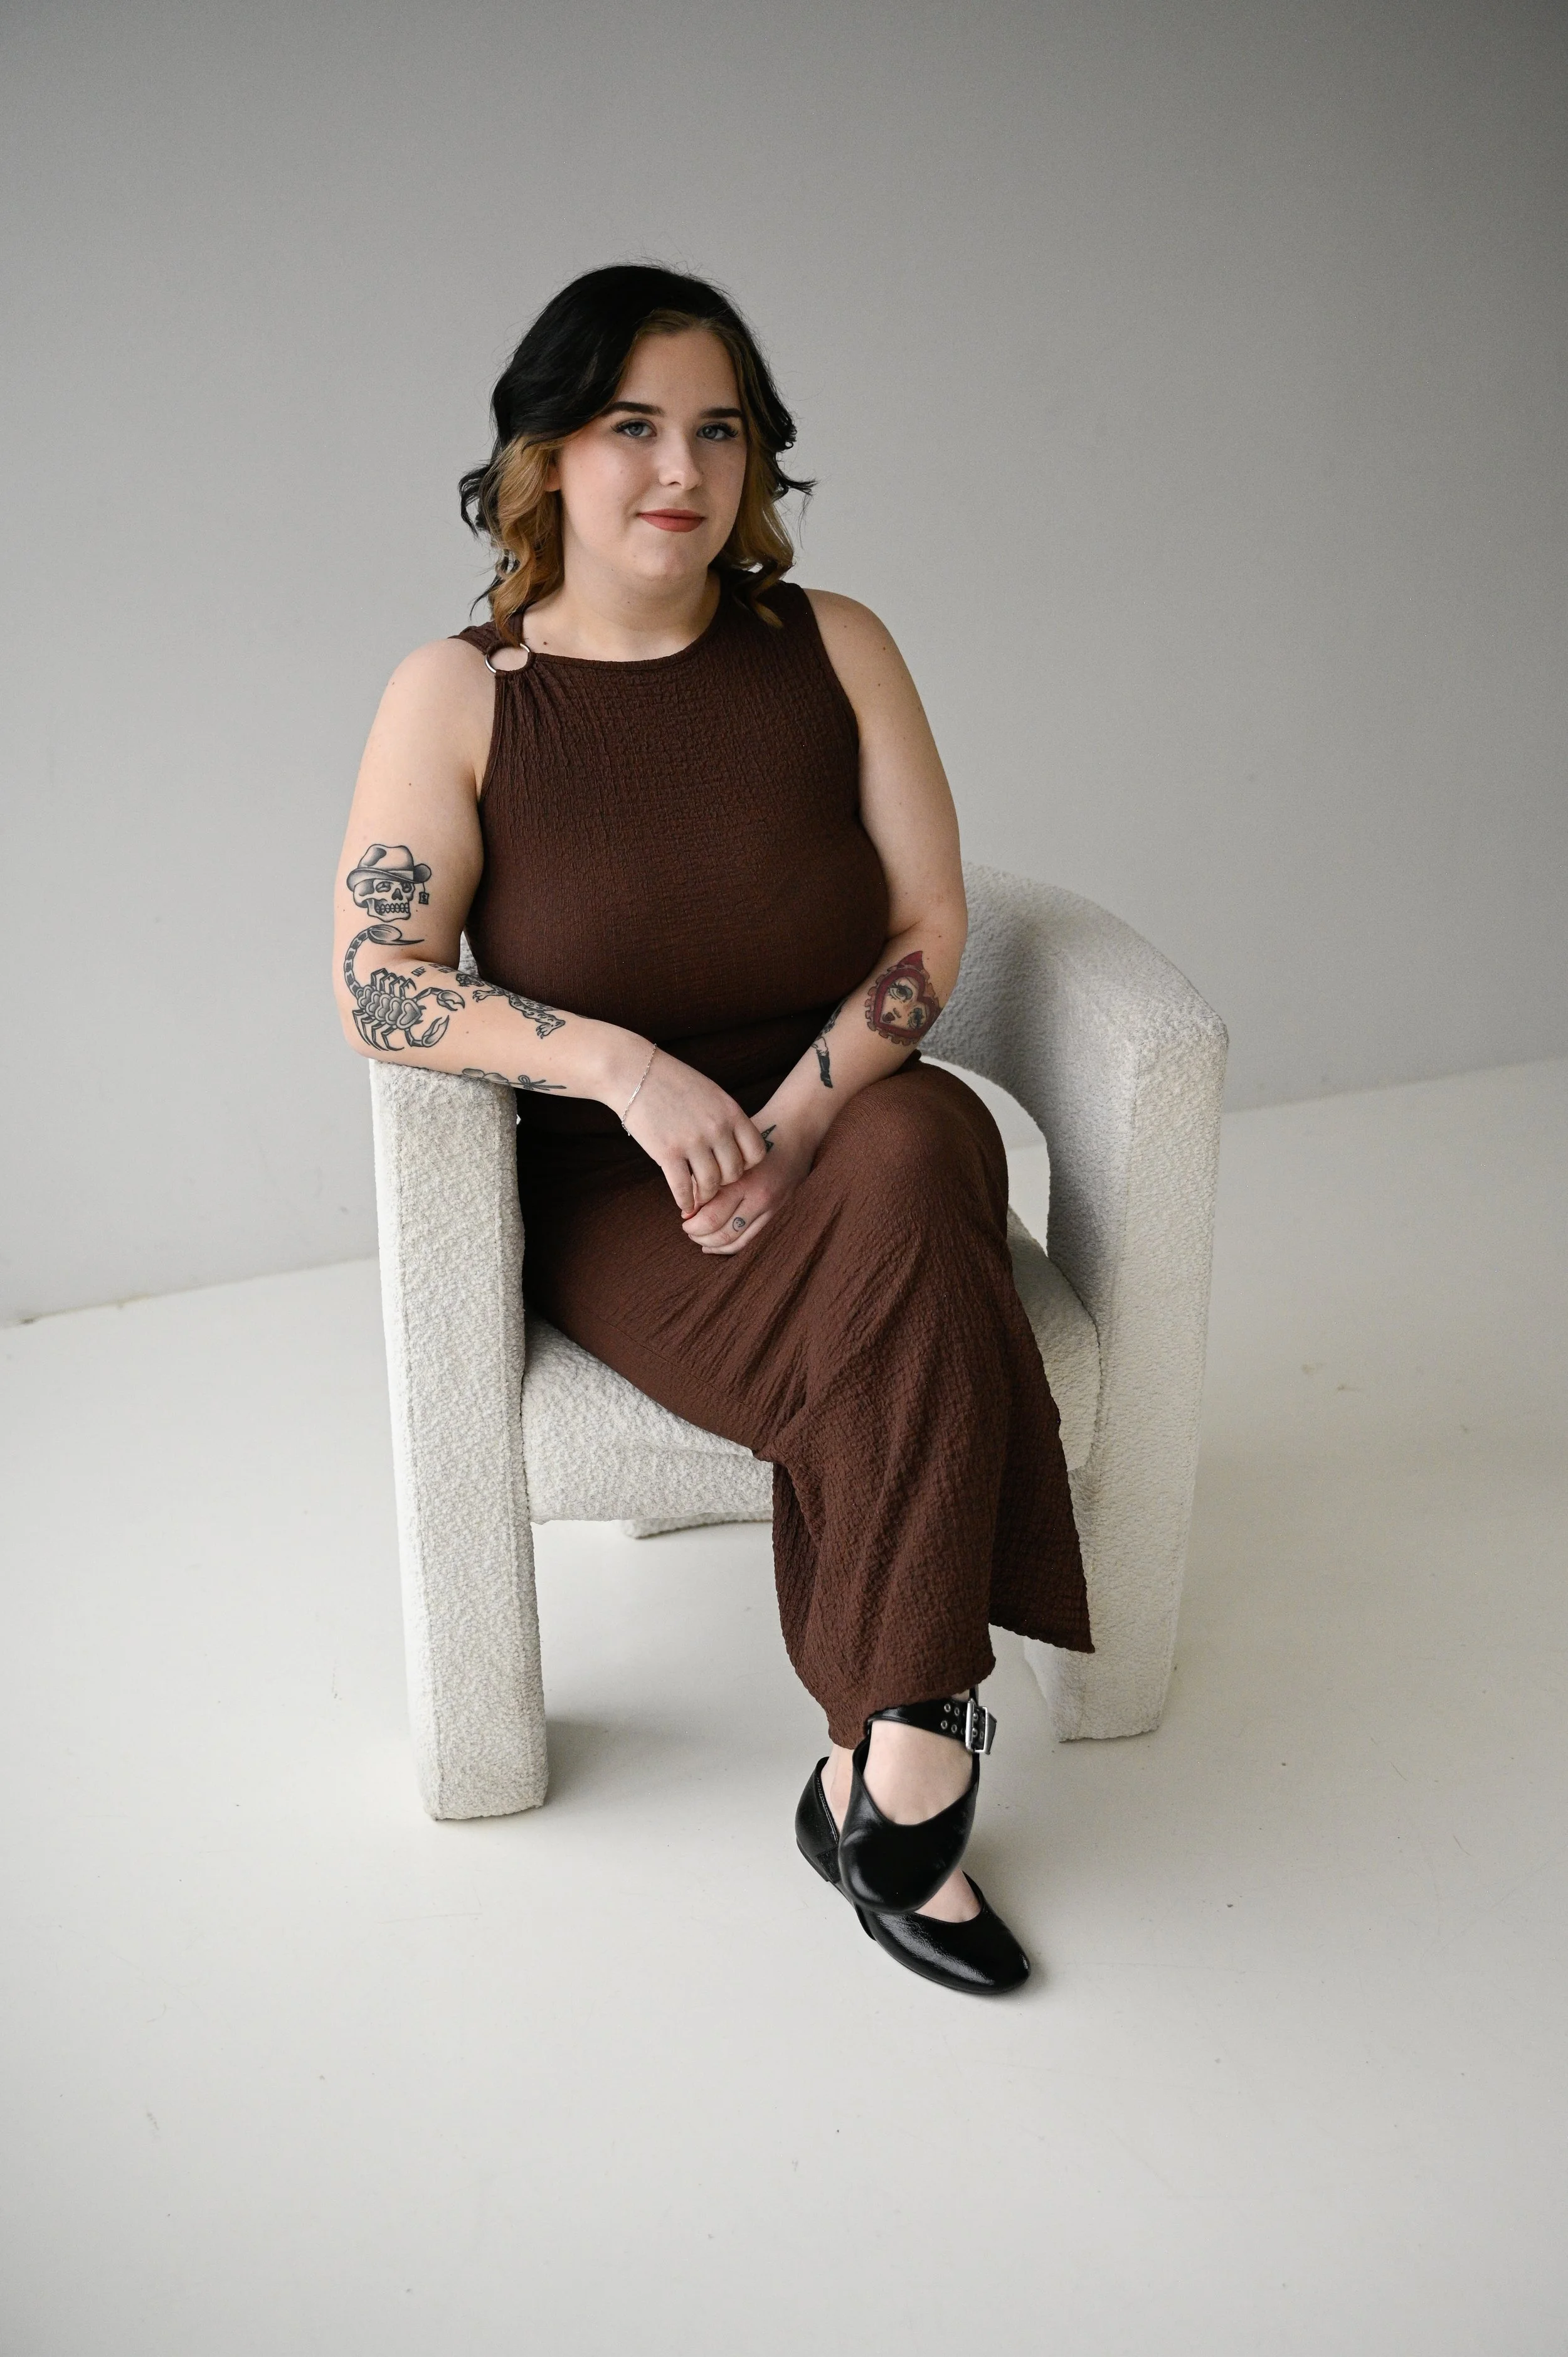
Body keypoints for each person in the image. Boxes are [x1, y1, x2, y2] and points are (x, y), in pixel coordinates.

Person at [334, 263, 1092, 1996]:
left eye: (718, 428)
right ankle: (902, 1772)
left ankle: (900, 1746)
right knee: (925, 1279)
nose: (680, 466)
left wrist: (798, 1116)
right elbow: (378, 979)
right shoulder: (461, 694)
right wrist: (618, 1064)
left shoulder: (833, 648)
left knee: (915, 1167)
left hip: (855, 1112)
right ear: (544, 458)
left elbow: (926, 930)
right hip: (621, 1190)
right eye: (631, 425)